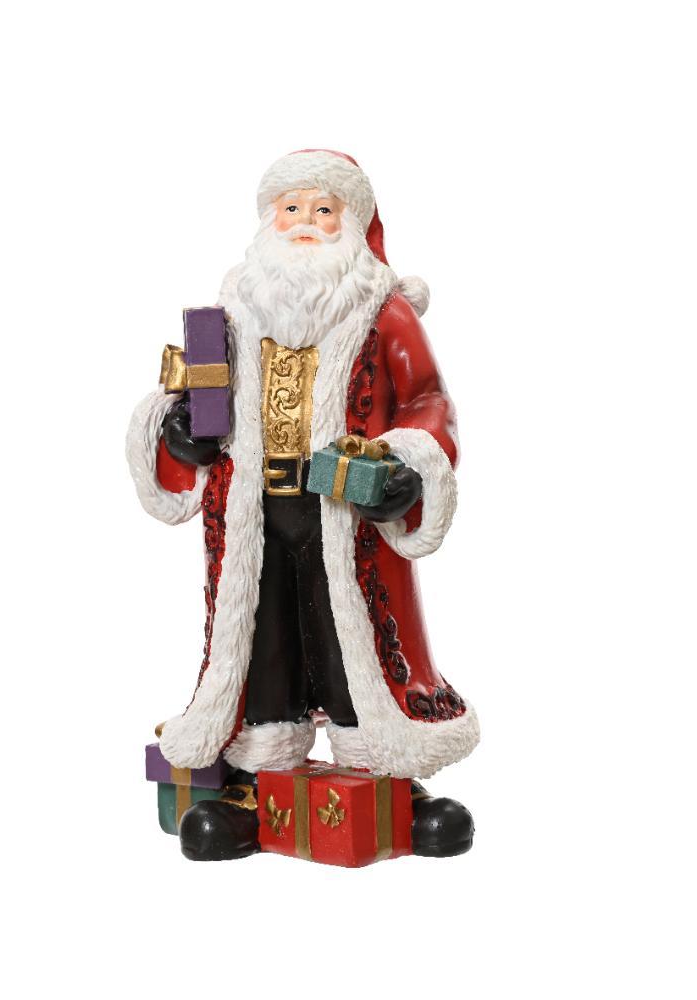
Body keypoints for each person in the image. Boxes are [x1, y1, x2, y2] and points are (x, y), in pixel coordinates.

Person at [127, 150, 480, 860]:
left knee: (351, 635)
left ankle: (385, 779)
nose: (305, 223)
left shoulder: (383, 311)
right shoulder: (233, 311)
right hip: (252, 513)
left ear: (351, 222)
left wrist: (409, 461)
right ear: (269, 221)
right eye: (291, 209)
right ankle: (258, 784)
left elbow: (426, 400)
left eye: (323, 210)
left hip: (345, 517)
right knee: (258, 638)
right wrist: (179, 430)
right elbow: (196, 396)